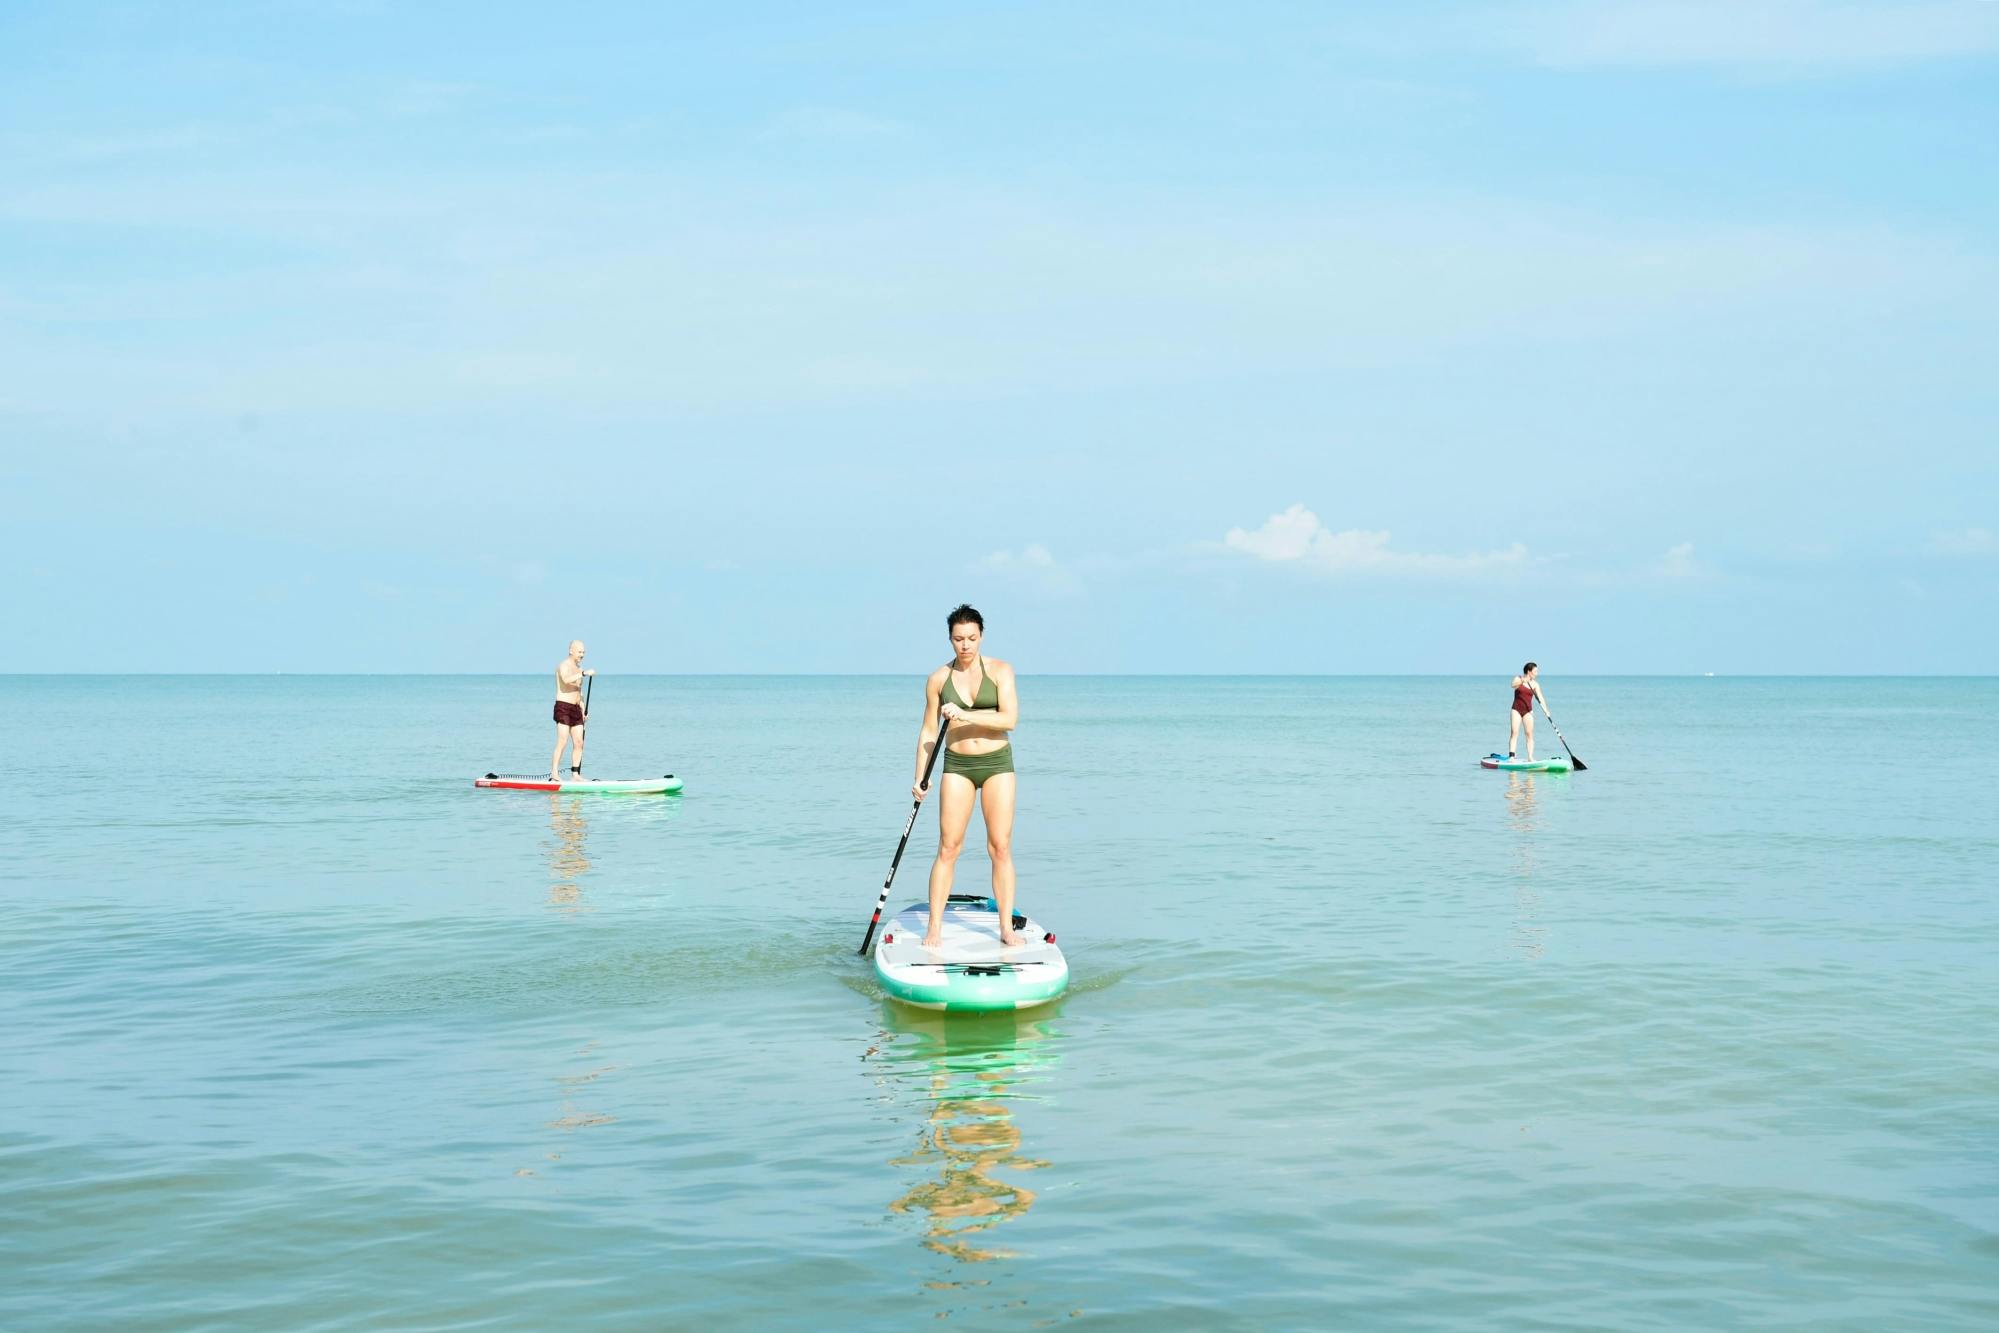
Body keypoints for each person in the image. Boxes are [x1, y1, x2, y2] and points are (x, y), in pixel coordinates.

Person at [913, 605, 1021, 949]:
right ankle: (934, 928)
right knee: (948, 846)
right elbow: (929, 731)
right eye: (959, 639)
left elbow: (1010, 720)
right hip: (957, 765)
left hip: (997, 764)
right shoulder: (938, 680)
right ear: (950, 639)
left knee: (1000, 846)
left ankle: (1006, 928)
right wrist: (920, 778)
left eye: (972, 638)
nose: (966, 645)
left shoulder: (1001, 671)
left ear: (981, 636)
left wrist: (964, 715)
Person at [550, 640, 595, 781]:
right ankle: (554, 772)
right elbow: (566, 680)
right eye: (579, 651)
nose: (582, 655)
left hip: (576, 709)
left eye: (583, 652)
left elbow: (579, 691)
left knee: (579, 742)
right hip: (563, 706)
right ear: (571, 650)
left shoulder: (578, 668)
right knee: (562, 740)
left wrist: (582, 708)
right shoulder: (563, 665)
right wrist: (583, 673)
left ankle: (575, 774)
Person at [1507, 661, 1549, 761]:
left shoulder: (1535, 684)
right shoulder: (1518, 678)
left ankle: (1530, 757)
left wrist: (1546, 710)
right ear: (1529, 671)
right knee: (1514, 732)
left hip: (1528, 711)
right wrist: (1523, 680)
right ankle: (1511, 756)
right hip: (1516, 710)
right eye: (1535, 671)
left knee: (1529, 734)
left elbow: (1541, 698)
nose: (1537, 673)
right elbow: (1513, 685)